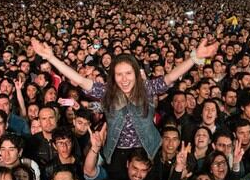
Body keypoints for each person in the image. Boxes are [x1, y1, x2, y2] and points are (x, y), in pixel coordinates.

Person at [31, 36, 218, 172]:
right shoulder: (107, 93)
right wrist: (51, 57)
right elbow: (80, 80)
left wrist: (195, 57)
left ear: (136, 73)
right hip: (117, 153)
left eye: (129, 73)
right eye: (119, 74)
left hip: (147, 151)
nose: (124, 79)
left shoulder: (145, 89)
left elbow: (169, 78)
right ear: (113, 76)